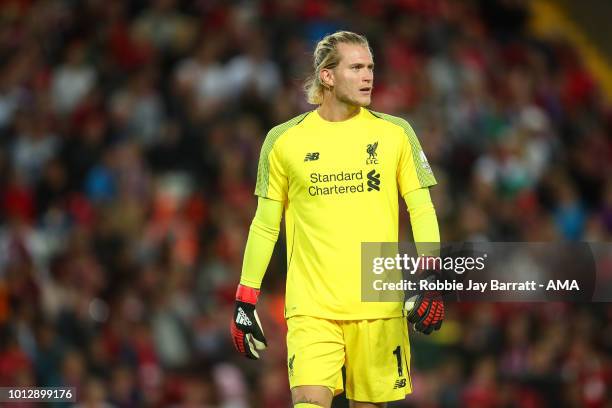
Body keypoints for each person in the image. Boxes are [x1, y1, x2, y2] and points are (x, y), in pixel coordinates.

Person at [231, 31, 443, 408]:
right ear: (327, 76)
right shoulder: (283, 141)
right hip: (312, 307)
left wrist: (430, 279)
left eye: (371, 68)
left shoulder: (395, 133)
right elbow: (265, 224)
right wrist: (246, 298)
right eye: (357, 67)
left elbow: (422, 209)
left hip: (377, 304)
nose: (369, 77)